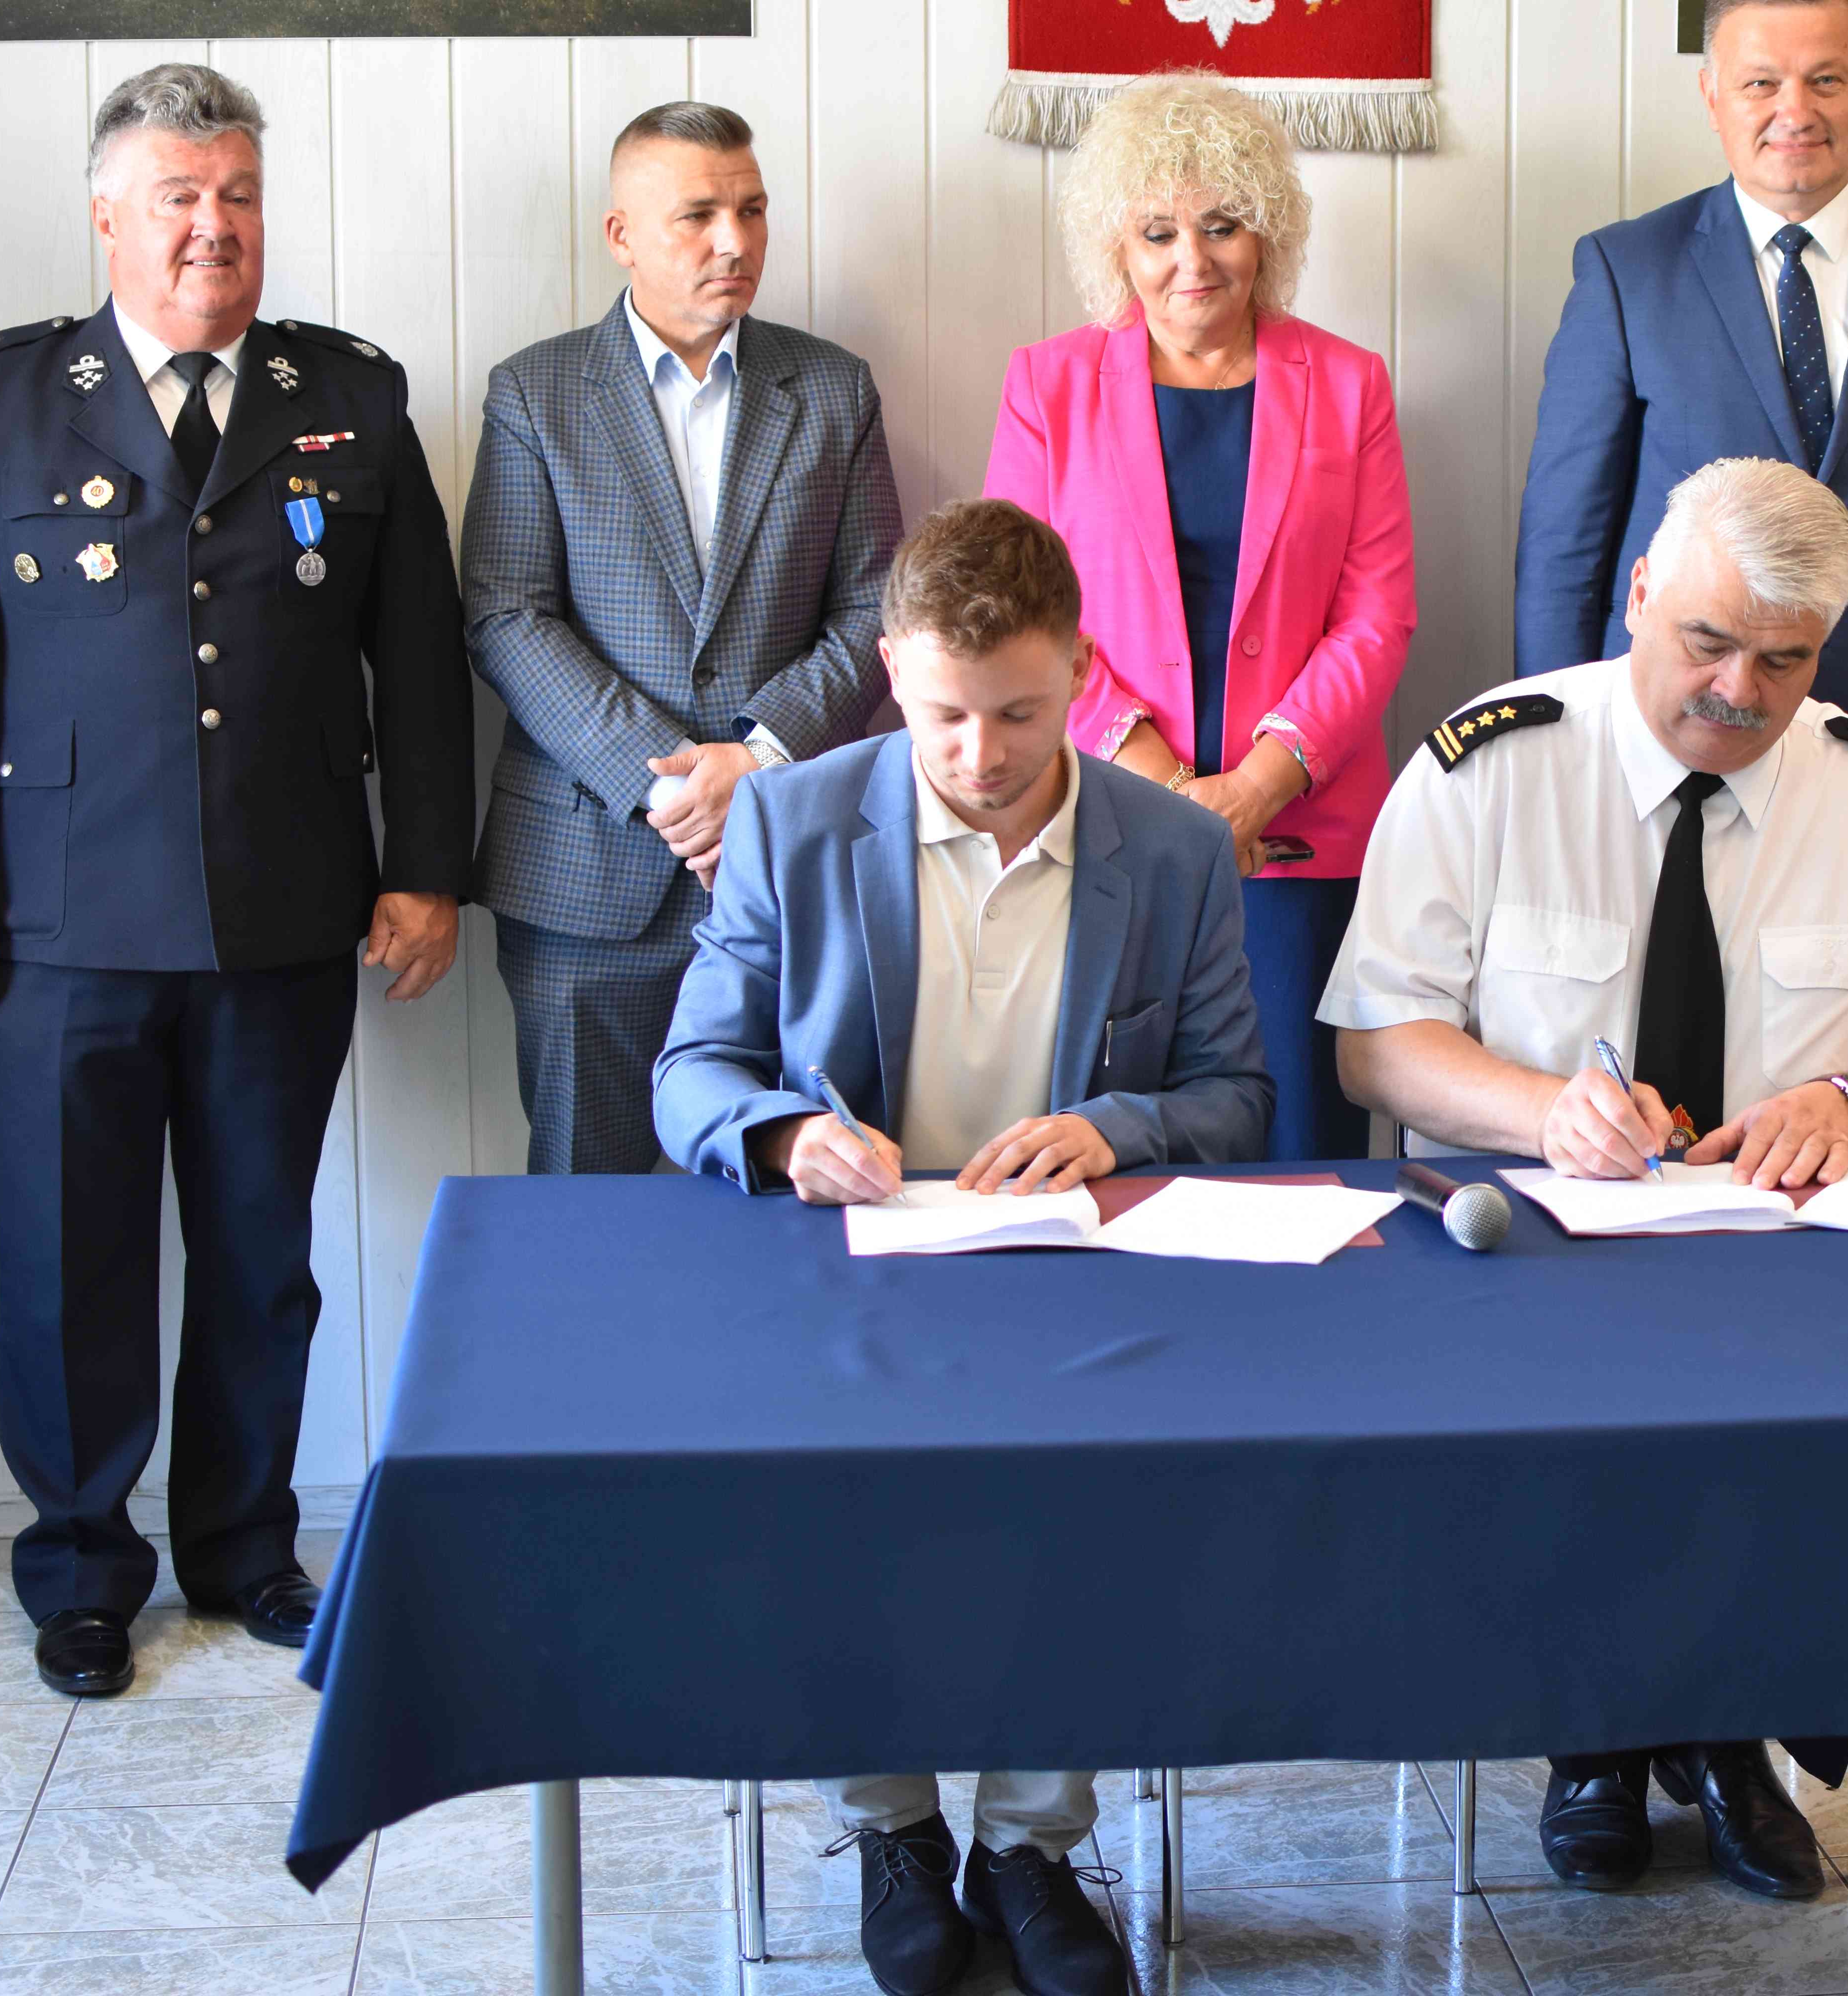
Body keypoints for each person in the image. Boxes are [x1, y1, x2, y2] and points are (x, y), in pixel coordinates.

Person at [0, 64, 472, 1697]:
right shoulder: (0, 402)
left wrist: (427, 869)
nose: (215, 228)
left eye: (238, 196)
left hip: (286, 903)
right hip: (57, 920)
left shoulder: (349, 395)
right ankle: (80, 1571)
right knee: (73, 1260)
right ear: (107, 215)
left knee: (262, 1255)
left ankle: (245, 1547)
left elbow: (419, 657)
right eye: (180, 198)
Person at [1324, 457, 1848, 1898]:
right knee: (1589, 1419)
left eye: (1784, 661)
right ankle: (1599, 1741)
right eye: (1708, 641)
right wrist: (1541, 1110)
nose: (1741, 691)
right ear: (1640, 594)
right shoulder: (1491, 765)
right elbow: (1376, 1045)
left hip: (1777, 1264)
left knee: (1837, 1417)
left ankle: (1732, 1734)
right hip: (1531, 1257)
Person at [653, 499, 1268, 1996]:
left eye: (1019, 714)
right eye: (942, 715)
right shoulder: (793, 824)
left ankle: (1030, 1848)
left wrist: (1117, 1128)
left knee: (1095, 1509)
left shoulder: (1178, 851)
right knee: (832, 1508)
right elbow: (690, 1073)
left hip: (1073, 1280)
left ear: (1082, 676)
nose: (980, 754)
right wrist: (785, 1137)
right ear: (890, 674)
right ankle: (894, 1831)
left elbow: (1238, 1098)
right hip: (849, 1272)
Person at [1516, 0, 1848, 985]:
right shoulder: (1629, 270)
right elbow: (1564, 553)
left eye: (1825, 80)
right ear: (1712, 94)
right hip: (1668, 744)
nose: (1794, 110)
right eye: (1761, 82)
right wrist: (1552, 770)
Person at [465, 100, 902, 1175]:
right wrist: (669, 782)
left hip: (790, 872)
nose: (735, 242)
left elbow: (877, 609)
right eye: (698, 215)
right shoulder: (535, 392)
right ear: (621, 235)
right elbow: (507, 613)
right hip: (587, 878)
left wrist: (756, 760)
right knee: (587, 1215)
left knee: (802, 1197)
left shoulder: (833, 388)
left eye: (752, 210)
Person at [985, 68, 1415, 1161]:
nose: (1193, 260)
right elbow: (1017, 609)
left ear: (1267, 233)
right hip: (1100, 821)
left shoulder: (1352, 384)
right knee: (1108, 1145)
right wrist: (1168, 790)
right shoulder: (1045, 386)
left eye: (1222, 226)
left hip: (1299, 839)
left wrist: (1256, 787)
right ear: (1117, 249)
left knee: (1303, 1153)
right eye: (1159, 233)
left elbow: (1377, 615)